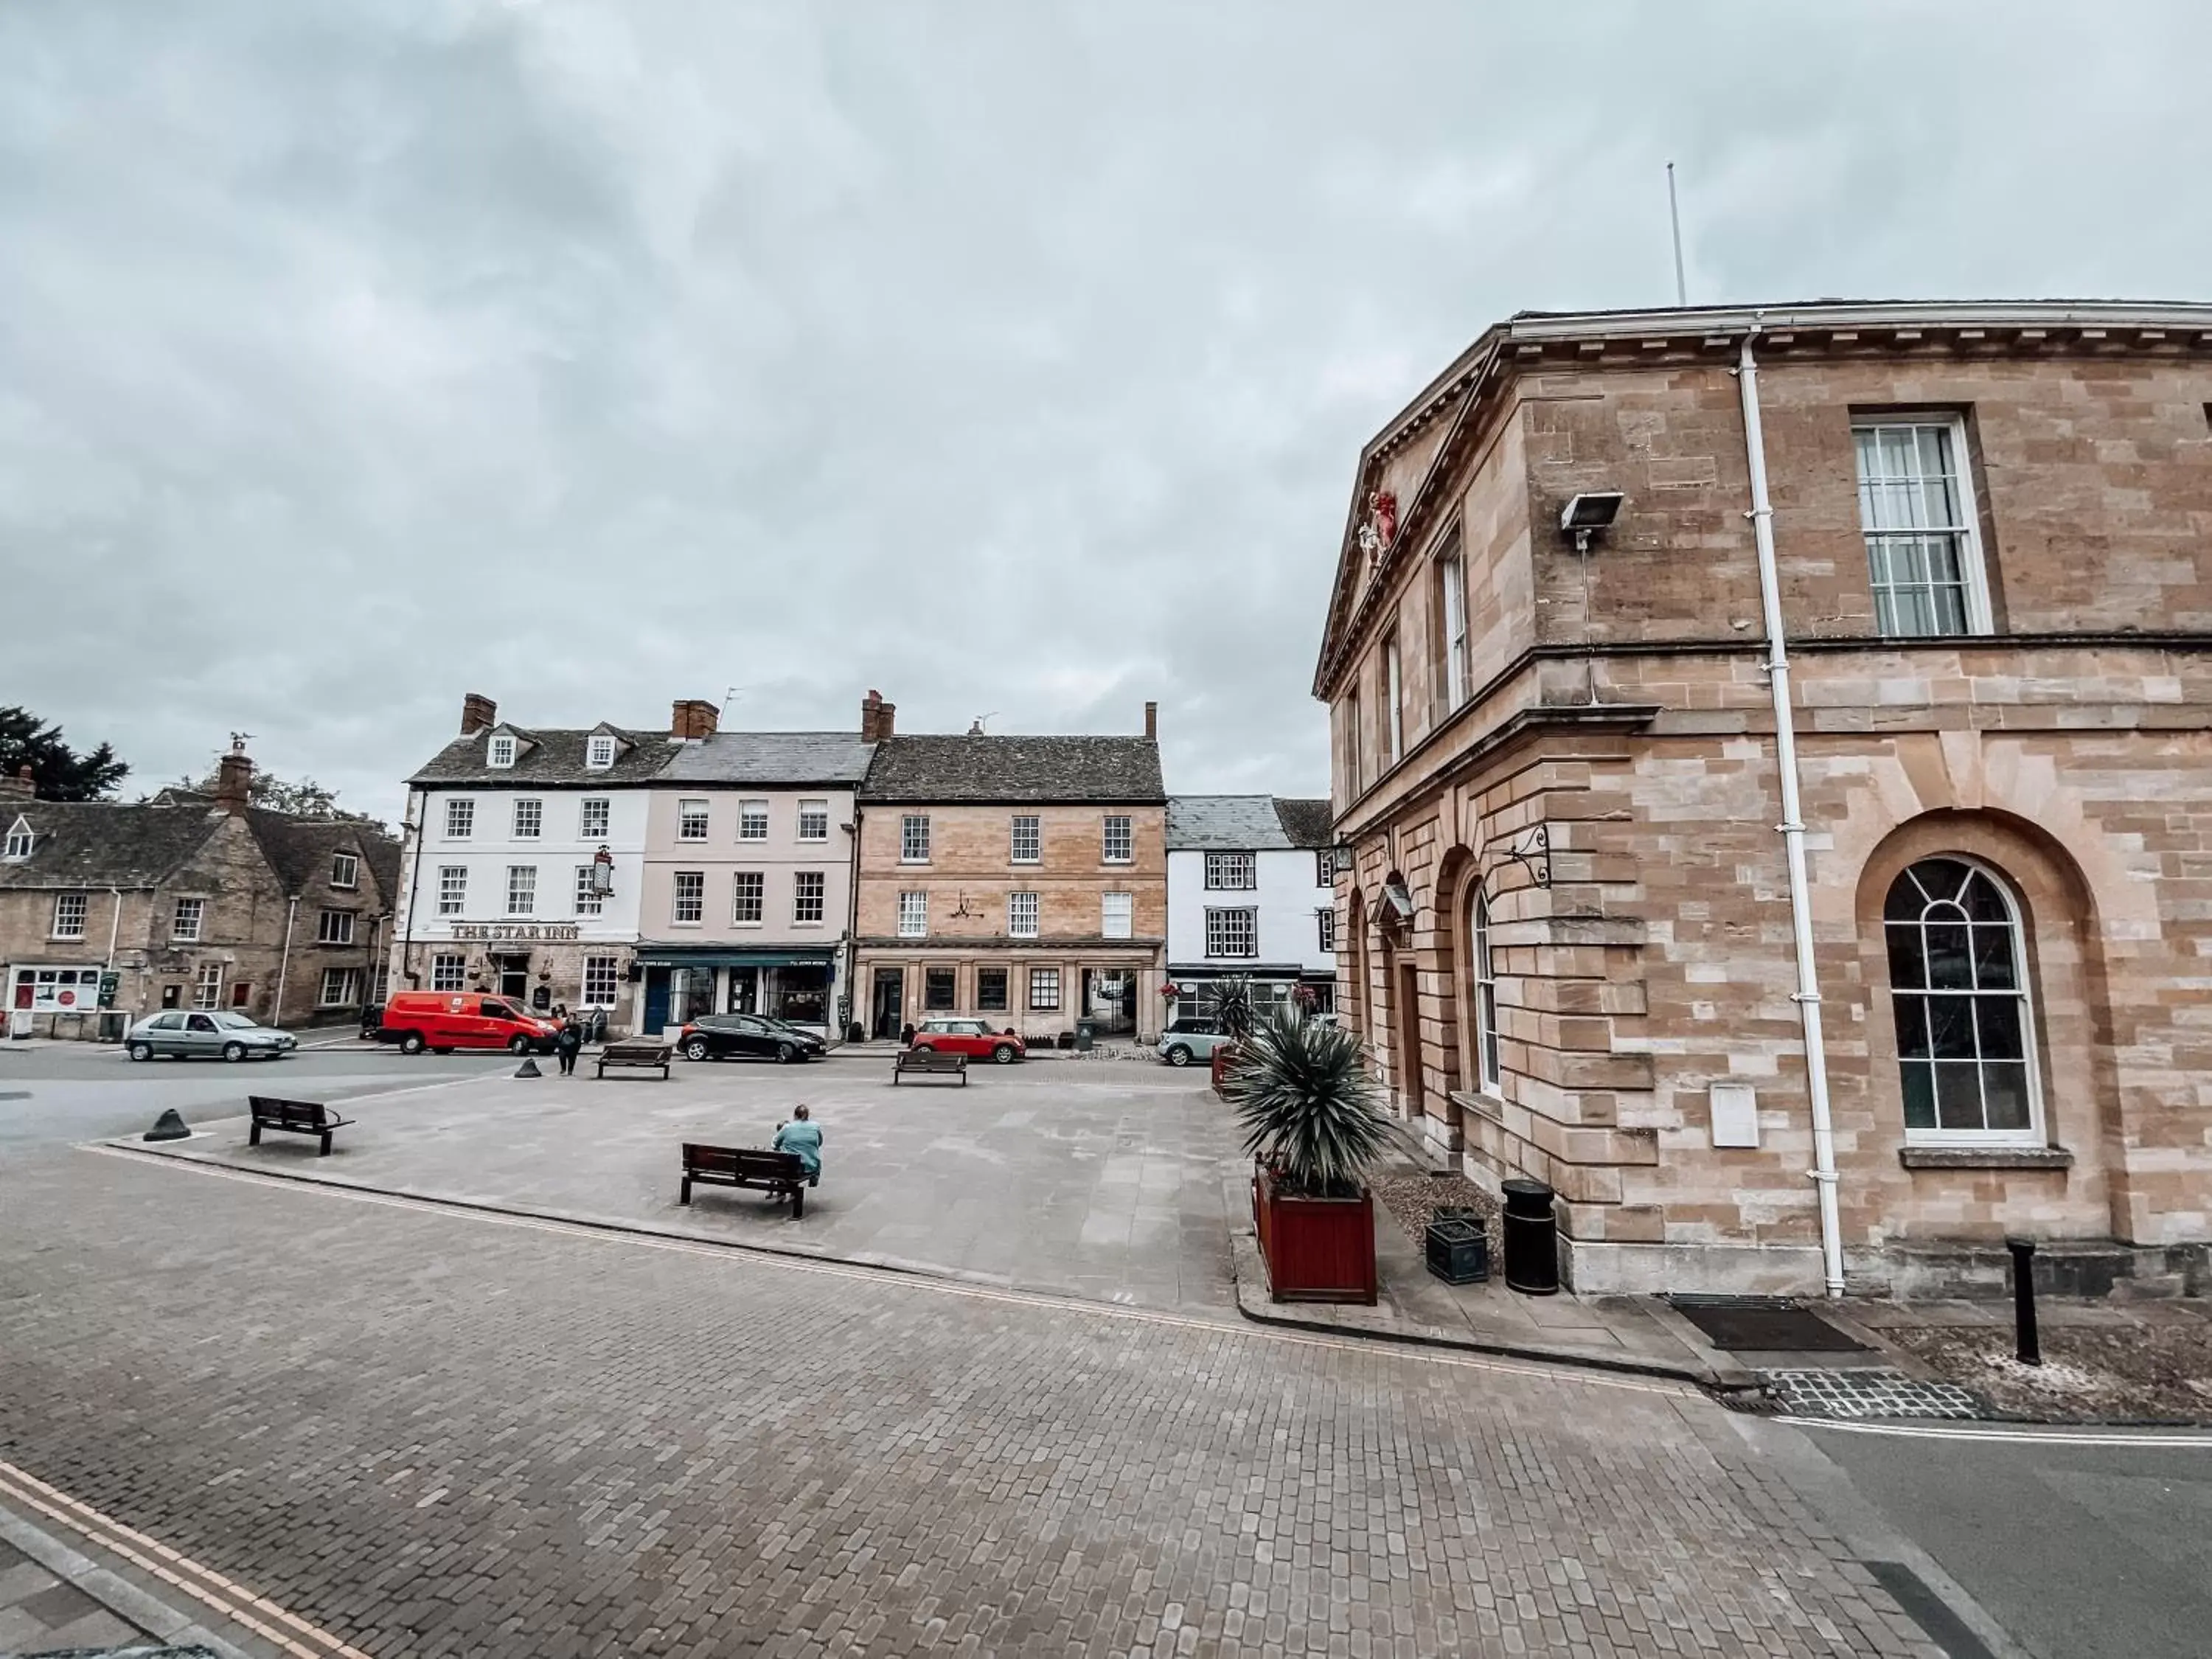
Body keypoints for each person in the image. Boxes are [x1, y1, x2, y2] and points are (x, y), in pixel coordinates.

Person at [773, 1105, 823, 1189]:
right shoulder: (815, 1126)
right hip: (810, 1166)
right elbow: (820, 1143)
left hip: (789, 1167)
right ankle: (814, 1178)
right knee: (815, 1158)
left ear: (795, 1116)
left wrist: (780, 1149)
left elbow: (774, 1144)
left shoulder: (787, 1127)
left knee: (786, 1160)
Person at [552, 1013, 582, 1077]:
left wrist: (571, 1031)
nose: (571, 1020)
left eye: (572, 1018)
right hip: (563, 1044)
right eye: (570, 1018)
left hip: (574, 1045)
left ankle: (570, 1071)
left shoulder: (577, 1026)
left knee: (572, 1058)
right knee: (562, 1056)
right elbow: (560, 1033)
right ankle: (563, 1069)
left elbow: (579, 1035)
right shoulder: (565, 1025)